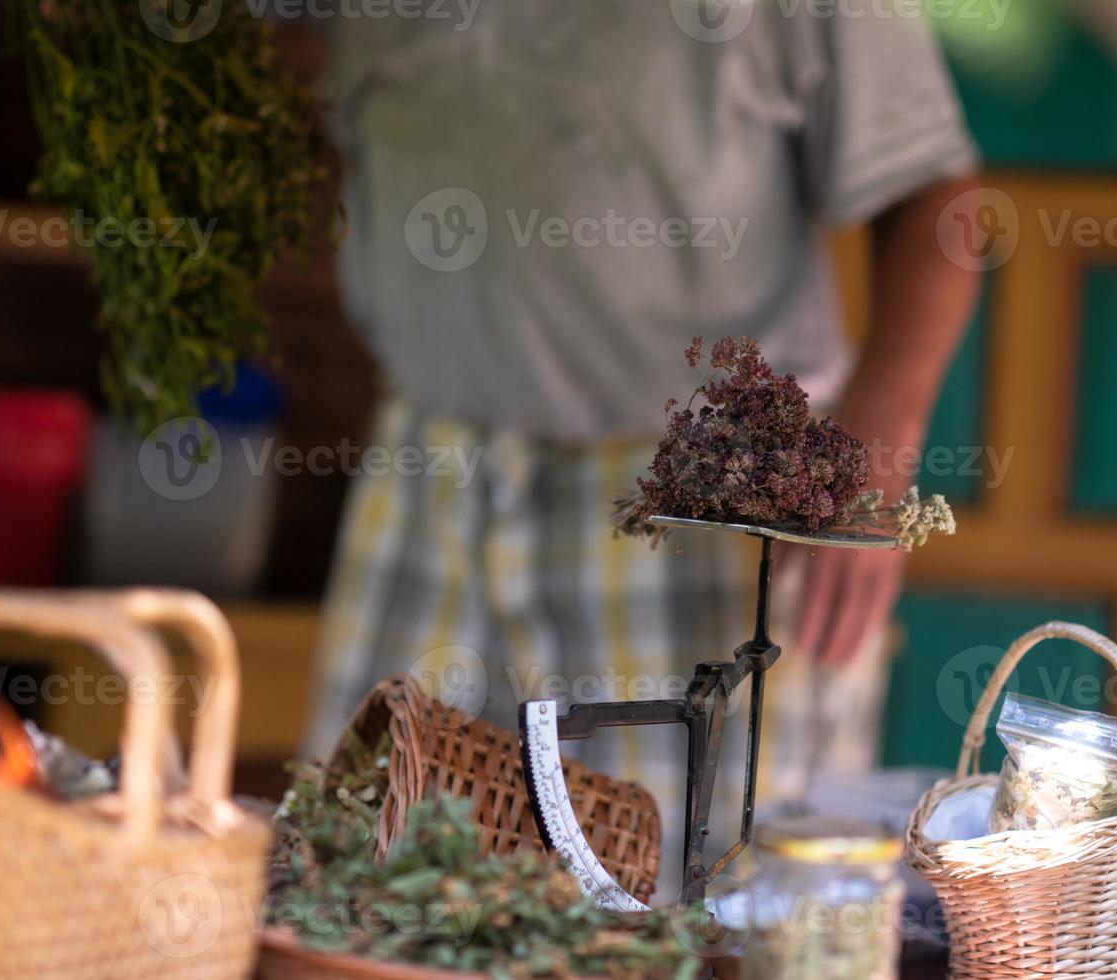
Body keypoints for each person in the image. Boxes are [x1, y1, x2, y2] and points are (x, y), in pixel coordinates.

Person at [300, 0, 982, 893]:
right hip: (433, 465)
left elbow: (938, 205)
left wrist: (871, 460)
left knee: (700, 912)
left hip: (702, 499)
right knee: (359, 885)